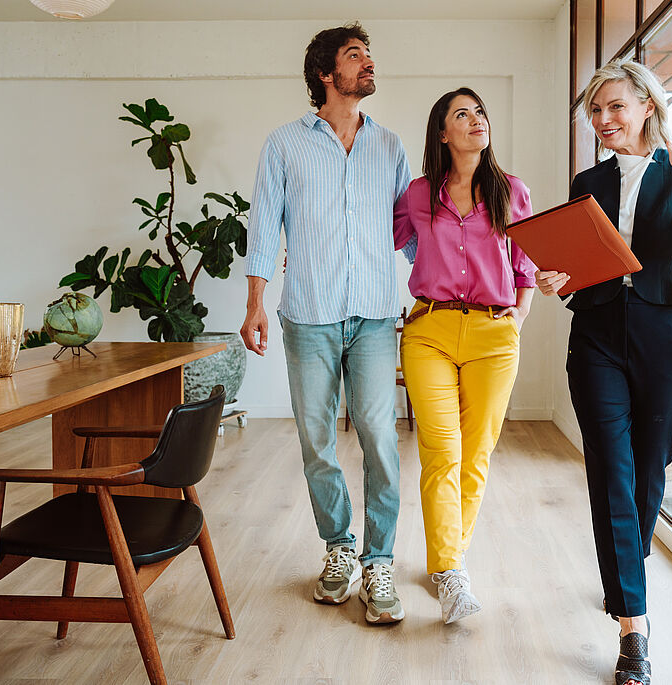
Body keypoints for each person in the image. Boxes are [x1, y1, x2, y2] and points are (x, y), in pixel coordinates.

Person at [535, 60, 672, 684]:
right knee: (611, 473)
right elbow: (580, 259)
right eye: (595, 111)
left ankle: (628, 565)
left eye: (614, 107)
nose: (603, 120)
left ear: (646, 104)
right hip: (595, 337)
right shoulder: (588, 178)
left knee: (650, 469)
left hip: (663, 333)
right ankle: (633, 626)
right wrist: (556, 276)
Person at [241, 23, 411, 625]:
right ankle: (339, 549)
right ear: (325, 73)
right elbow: (264, 229)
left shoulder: (390, 146)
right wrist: (255, 301)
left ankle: (380, 558)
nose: (368, 64)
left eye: (369, 54)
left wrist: (450, 287)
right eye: (354, 55)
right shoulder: (285, 144)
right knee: (316, 441)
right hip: (306, 316)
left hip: (372, 316)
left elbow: (409, 234)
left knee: (379, 438)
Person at [393, 88, 535, 624]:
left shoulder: (511, 191)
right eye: (462, 114)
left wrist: (517, 319)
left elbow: (525, 265)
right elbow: (377, 235)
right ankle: (452, 573)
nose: (476, 121)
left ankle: (445, 560)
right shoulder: (417, 194)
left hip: (494, 337)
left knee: (476, 455)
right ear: (443, 133)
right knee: (441, 449)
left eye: (480, 112)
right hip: (429, 330)